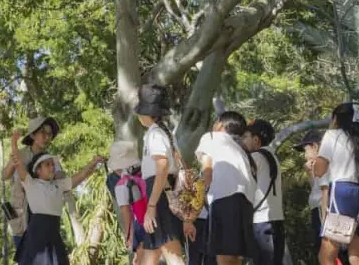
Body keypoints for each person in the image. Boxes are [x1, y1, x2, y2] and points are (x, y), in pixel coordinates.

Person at [9, 131, 105, 265]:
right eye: (47, 165)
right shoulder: (31, 183)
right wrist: (14, 141)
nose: (52, 167)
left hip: (53, 234)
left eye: (52, 164)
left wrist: (93, 162)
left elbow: (81, 175)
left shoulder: (60, 185)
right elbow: (17, 162)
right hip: (35, 236)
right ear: (38, 170)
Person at [317, 102, 359, 265]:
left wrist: (313, 164)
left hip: (341, 193)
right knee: (357, 255)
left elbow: (320, 170)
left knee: (327, 254)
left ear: (336, 118)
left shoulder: (332, 135)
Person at [134, 83, 187, 265]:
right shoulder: (166, 134)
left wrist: (151, 205)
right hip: (165, 193)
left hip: (160, 195)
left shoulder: (155, 134)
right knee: (151, 253)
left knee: (173, 257)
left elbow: (162, 166)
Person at [195, 111, 258, 264]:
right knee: (235, 256)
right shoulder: (240, 150)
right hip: (246, 202)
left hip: (225, 198)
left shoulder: (212, 137)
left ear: (220, 125)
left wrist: (200, 196)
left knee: (223, 254)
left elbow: (207, 168)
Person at [3, 116, 62, 250]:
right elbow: (4, 176)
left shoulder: (52, 161)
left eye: (50, 134)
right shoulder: (20, 154)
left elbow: (61, 183)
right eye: (43, 133)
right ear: (33, 135)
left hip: (43, 218)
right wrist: (13, 161)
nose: (47, 137)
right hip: (20, 217)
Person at [243, 119, 285, 265]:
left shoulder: (255, 157)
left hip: (261, 221)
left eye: (245, 137)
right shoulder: (272, 157)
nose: (243, 141)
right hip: (276, 219)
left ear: (256, 140)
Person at [106, 140, 144, 262]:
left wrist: (129, 237)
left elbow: (126, 213)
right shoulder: (146, 175)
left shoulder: (122, 185)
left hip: (141, 228)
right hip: (158, 221)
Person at [294, 130, 328, 259]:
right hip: (320, 209)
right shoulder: (320, 164)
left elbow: (325, 191)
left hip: (322, 210)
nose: (305, 155)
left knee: (326, 252)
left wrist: (325, 222)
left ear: (315, 146)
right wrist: (310, 173)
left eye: (306, 150)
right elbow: (316, 188)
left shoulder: (323, 162)